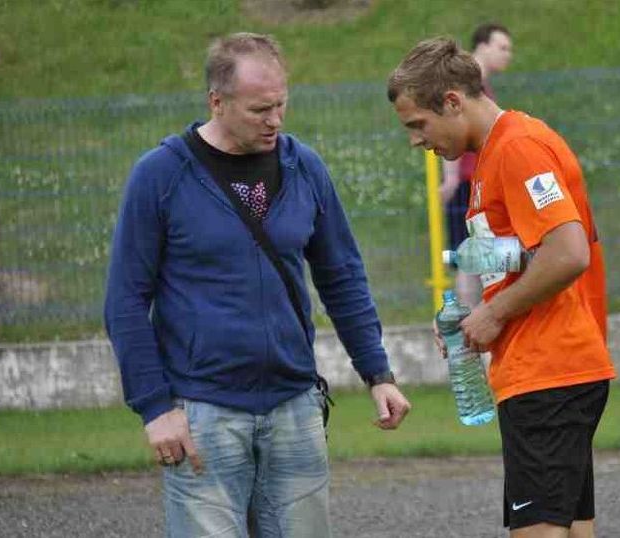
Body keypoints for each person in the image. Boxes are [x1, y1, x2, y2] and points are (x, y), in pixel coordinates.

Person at [105, 32, 410, 538]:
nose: (274, 120)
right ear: (216, 102)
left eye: (281, 105)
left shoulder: (305, 167)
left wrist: (377, 372)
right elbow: (125, 302)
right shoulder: (159, 176)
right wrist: (155, 407)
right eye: (259, 109)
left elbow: (343, 277)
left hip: (294, 405)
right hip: (202, 411)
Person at [387, 37, 615, 538]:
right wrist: (473, 309)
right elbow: (524, 256)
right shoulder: (499, 152)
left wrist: (495, 314)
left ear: (452, 101)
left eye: (417, 125)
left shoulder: (518, 148)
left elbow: (568, 251)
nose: (416, 140)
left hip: (549, 371)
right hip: (551, 370)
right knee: (574, 528)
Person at [439, 23, 513, 306]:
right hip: (470, 184)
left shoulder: (481, 86)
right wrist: (452, 178)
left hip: (478, 182)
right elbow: (451, 123)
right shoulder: (467, 85)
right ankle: (470, 318)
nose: (508, 55)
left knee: (480, 257)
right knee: (469, 257)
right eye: (502, 48)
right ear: (482, 46)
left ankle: (475, 316)